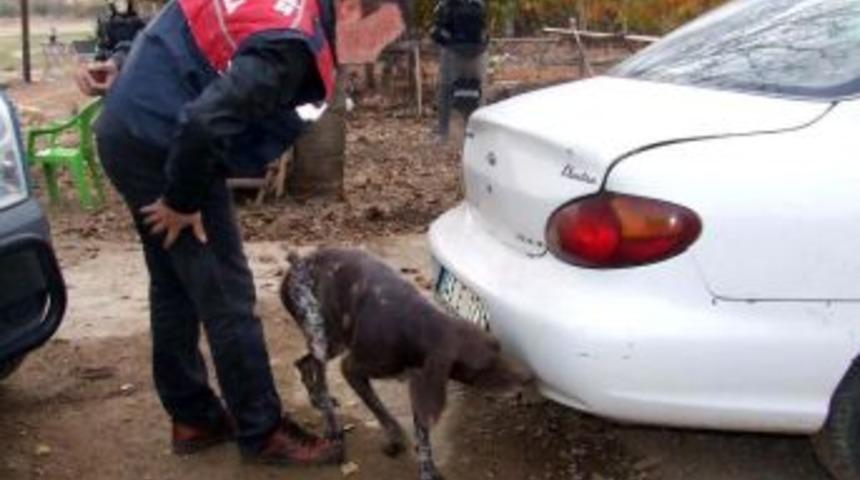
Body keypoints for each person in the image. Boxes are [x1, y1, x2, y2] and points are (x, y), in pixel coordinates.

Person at [74, 0, 342, 466]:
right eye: (388, 32)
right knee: (228, 296)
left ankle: (194, 415)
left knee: (174, 283)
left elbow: (174, 32)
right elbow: (203, 123)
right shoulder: (290, 41)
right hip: (168, 143)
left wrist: (120, 62)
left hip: (127, 129)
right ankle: (262, 431)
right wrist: (183, 200)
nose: (382, 50)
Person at [432, 0, 489, 143]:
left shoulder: (445, 5)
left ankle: (443, 133)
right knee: (476, 89)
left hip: (452, 51)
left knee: (446, 90)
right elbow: (484, 32)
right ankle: (478, 133)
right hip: (477, 52)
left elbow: (437, 32)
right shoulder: (478, 4)